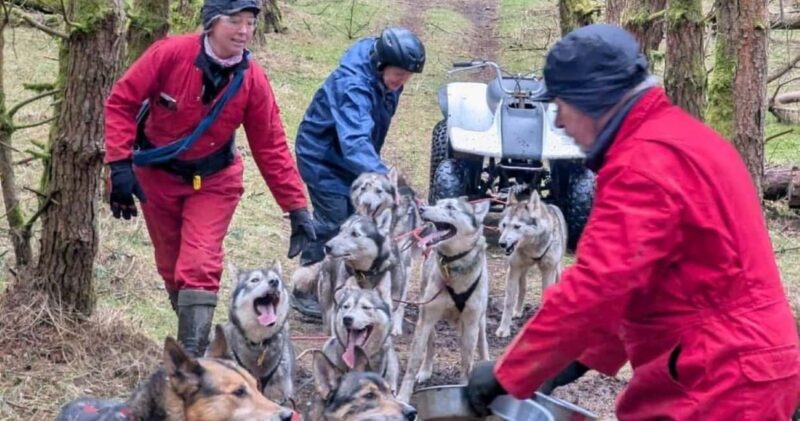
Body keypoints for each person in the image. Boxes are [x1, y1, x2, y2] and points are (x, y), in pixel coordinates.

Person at [465, 24, 800, 419]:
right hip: (738, 365)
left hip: (720, 377)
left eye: (560, 106)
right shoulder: (680, 138)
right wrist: (571, 359)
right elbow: (637, 281)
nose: (556, 123)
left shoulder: (644, 162)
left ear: (592, 97)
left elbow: (598, 286)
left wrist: (509, 373)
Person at [103, 0, 316, 356]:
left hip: (214, 182)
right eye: (235, 21)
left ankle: (191, 360)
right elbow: (121, 102)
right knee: (172, 269)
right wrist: (120, 165)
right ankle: (194, 346)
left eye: (249, 23)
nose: (244, 31)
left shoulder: (253, 79)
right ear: (211, 23)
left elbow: (272, 146)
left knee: (199, 264)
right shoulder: (168, 54)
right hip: (157, 177)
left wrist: (296, 207)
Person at [289, 26, 425, 317]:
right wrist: (385, 178)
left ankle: (351, 285)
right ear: (381, 64)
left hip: (353, 157)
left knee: (360, 219)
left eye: (407, 76)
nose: (402, 82)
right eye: (399, 75)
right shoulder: (353, 85)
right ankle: (305, 290)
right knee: (334, 220)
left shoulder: (386, 77)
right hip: (322, 157)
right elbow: (354, 141)